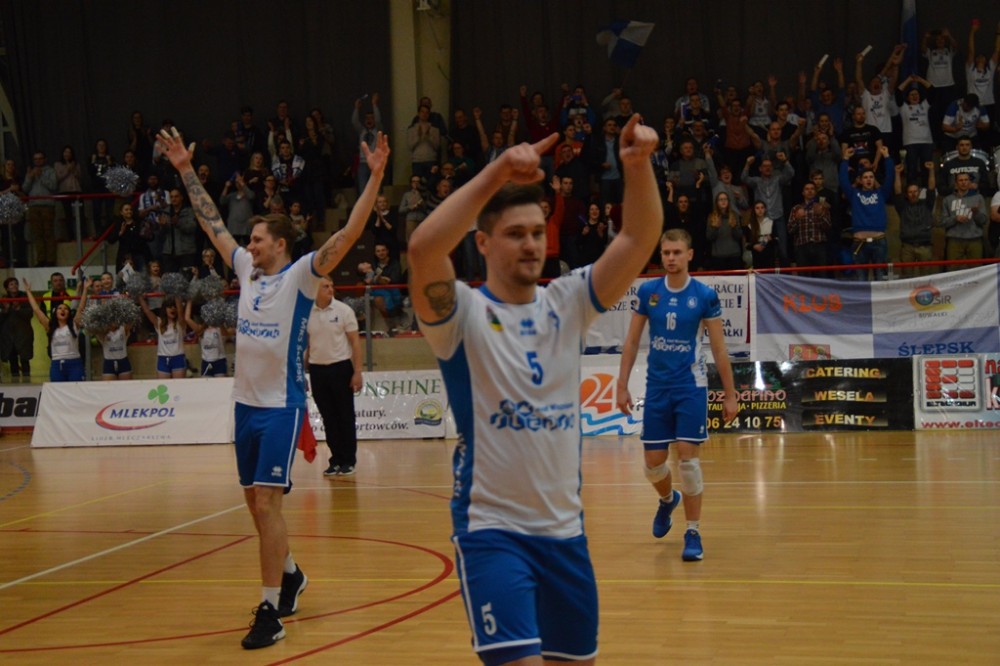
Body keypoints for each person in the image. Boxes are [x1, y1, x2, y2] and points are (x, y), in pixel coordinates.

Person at [407, 114, 661, 666]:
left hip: (566, 535)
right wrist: (498, 171)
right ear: (482, 241)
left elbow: (638, 239)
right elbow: (424, 248)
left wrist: (638, 166)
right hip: (492, 533)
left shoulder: (568, 302)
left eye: (537, 233)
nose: (530, 244)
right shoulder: (461, 315)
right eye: (514, 234)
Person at [157, 124, 389, 649]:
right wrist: (185, 170)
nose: (249, 244)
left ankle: (270, 610)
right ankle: (290, 573)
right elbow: (212, 223)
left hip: (281, 407)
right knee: (254, 505)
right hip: (243, 406)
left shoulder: (302, 275)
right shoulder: (246, 270)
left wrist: (375, 177)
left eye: (258, 239)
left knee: (267, 505)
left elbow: (348, 233)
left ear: (279, 245)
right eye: (251, 240)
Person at [616, 228, 738, 562]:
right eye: (666, 253)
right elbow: (631, 341)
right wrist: (621, 384)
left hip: (690, 387)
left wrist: (730, 394)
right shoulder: (649, 291)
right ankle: (668, 500)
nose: (670, 258)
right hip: (657, 387)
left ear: (689, 255)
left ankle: (693, 532)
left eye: (676, 252)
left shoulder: (704, 295)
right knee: (653, 465)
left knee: (688, 461)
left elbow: (719, 348)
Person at [306, 276, 362, 477]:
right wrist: (301, 371)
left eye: (331, 285)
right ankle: (336, 459)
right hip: (317, 371)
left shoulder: (344, 310)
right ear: (315, 289)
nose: (330, 289)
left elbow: (355, 342)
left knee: (345, 416)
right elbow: (307, 344)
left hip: (341, 368)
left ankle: (349, 460)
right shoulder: (307, 312)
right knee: (328, 418)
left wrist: (357, 372)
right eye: (325, 286)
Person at [840, 146, 895, 280]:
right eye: (865, 177)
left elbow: (890, 178)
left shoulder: (881, 193)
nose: (869, 179)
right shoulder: (854, 194)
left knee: (880, 278)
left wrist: (887, 157)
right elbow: (843, 181)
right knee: (860, 280)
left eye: (871, 177)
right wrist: (845, 159)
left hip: (879, 241)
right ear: (860, 180)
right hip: (859, 242)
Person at [24, 277, 89, 382]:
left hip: (74, 363)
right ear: (55, 312)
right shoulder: (49, 326)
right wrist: (28, 292)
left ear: (69, 313)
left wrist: (85, 289)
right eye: (60, 308)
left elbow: (81, 307)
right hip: (56, 364)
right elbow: (36, 309)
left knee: (76, 390)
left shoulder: (74, 324)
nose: (63, 310)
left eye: (66, 309)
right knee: (57, 390)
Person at [139, 294, 187, 379]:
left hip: (178, 358)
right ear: (165, 309)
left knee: (178, 386)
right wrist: (139, 296)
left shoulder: (180, 323)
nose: (173, 309)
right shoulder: (159, 323)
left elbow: (180, 310)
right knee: (163, 385)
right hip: (163, 359)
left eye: (174, 307)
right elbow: (147, 311)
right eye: (170, 307)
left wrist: (176, 292)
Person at [0, 277, 34, 381]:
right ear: (7, 288)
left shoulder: (25, 298)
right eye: (11, 284)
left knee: (25, 360)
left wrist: (18, 308)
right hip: (8, 337)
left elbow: (30, 314)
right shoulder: (3, 300)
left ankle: (27, 382)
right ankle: (15, 384)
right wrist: (5, 310)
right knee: (13, 361)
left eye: (16, 283)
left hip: (23, 335)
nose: (14, 285)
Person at [184, 299, 228, 376]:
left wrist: (219, 315)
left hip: (219, 361)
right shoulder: (200, 329)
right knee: (205, 383)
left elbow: (226, 334)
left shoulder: (220, 328)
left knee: (220, 383)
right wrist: (189, 300)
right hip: (206, 362)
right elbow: (187, 319)